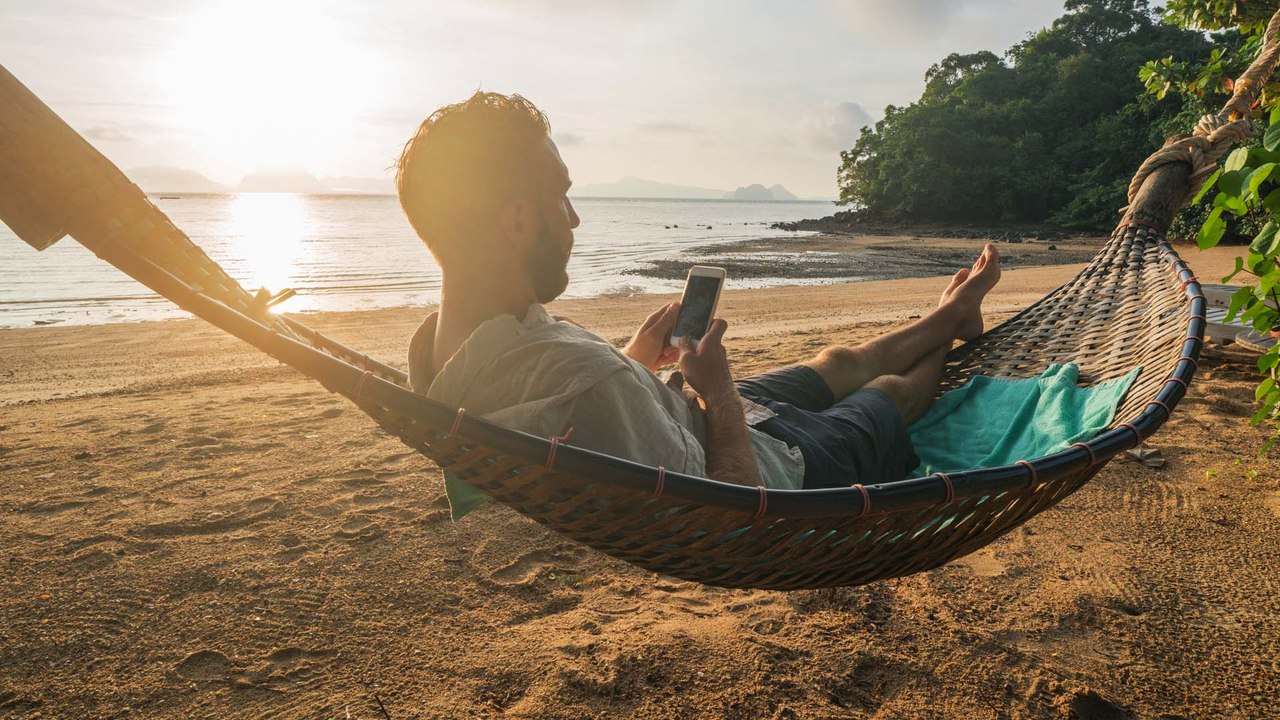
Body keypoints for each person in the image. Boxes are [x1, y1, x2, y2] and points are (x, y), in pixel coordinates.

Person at [396, 91, 1001, 518]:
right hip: (776, 464)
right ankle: (952, 321)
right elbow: (730, 510)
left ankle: (949, 314)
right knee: (890, 391)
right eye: (561, 198)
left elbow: (572, 397)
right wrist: (717, 390)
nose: (574, 219)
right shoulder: (587, 383)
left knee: (839, 360)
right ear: (518, 221)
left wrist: (634, 360)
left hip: (688, 414)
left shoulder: (440, 357)